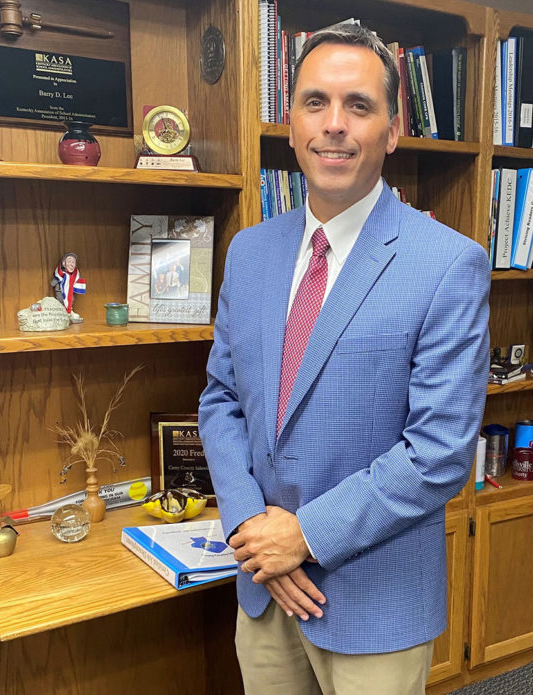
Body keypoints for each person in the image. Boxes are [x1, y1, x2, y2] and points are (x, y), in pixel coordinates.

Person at [198, 23, 490, 695]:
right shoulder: (248, 252)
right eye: (315, 102)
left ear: (392, 128)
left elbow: (438, 452)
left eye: (358, 105)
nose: (334, 125)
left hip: (374, 600)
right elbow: (220, 399)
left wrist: (303, 536)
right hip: (264, 586)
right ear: (290, 121)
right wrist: (250, 526)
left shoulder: (447, 264)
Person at [51, 252, 86, 323]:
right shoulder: (60, 274)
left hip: (70, 292)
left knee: (71, 299)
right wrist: (56, 281)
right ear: (64, 263)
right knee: (61, 301)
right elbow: (53, 283)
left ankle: (69, 312)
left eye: (73, 262)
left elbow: (78, 281)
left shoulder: (75, 275)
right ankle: (63, 313)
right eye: (69, 261)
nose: (71, 264)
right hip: (60, 292)